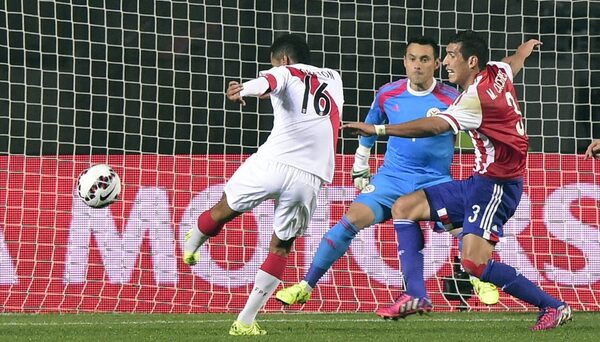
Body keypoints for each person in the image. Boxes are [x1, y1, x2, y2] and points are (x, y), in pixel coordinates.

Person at [342, 31, 572, 331]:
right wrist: (524, 50)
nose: (446, 62)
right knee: (404, 207)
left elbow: (433, 126)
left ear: (472, 61)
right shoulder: (496, 72)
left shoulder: (474, 99)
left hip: (496, 189)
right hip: (479, 182)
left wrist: (380, 131)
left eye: (452, 55)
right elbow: (511, 62)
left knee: (474, 264)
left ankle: (553, 306)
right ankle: (415, 293)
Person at [275, 36, 498, 318]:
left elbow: (476, 134)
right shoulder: (388, 94)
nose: (418, 66)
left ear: (437, 64)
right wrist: (360, 164)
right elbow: (371, 126)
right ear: (405, 62)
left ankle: (480, 279)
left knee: (464, 229)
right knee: (350, 219)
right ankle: (306, 286)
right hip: (392, 178)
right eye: (413, 59)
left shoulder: (452, 99)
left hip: (435, 180)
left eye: (425, 60)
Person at [183, 33, 344, 336]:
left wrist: (243, 88)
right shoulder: (334, 78)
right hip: (310, 175)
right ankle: (244, 321)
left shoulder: (283, 71)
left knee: (224, 208)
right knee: (281, 246)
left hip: (272, 162)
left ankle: (192, 244)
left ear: (282, 59)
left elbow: (268, 84)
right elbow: (290, 95)